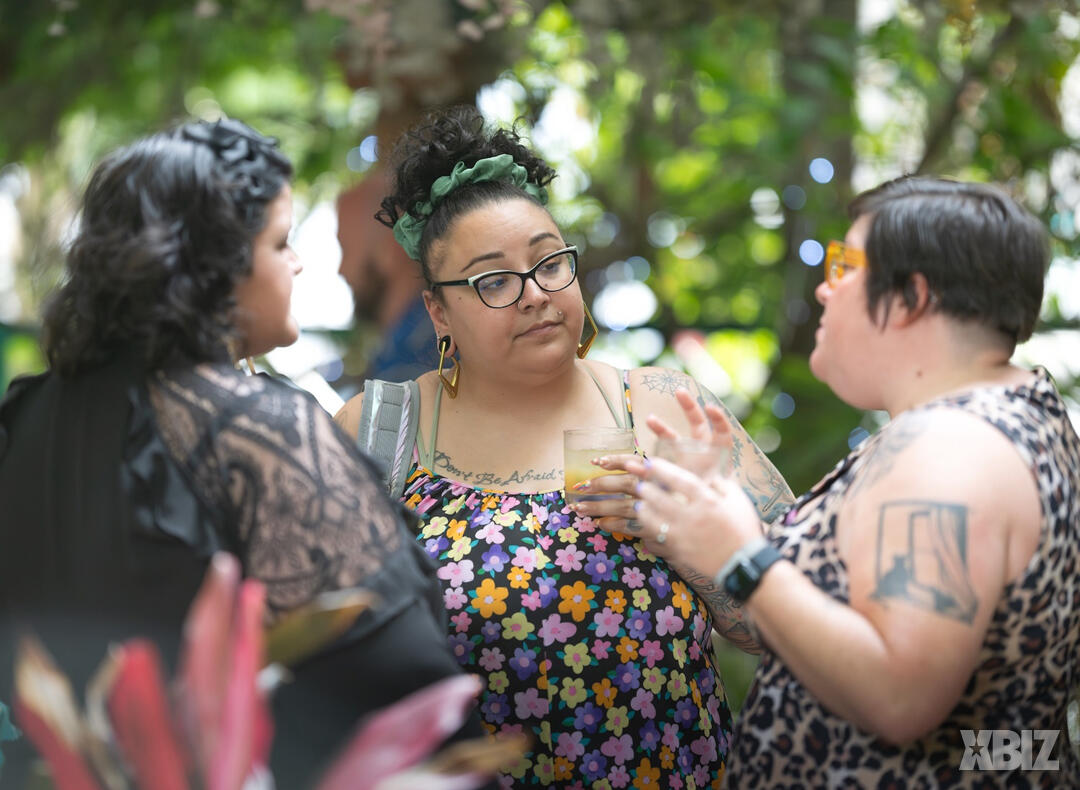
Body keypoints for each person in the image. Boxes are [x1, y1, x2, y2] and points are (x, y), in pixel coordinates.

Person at [0, 118, 486, 788]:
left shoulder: (23, 418)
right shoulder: (256, 431)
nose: (299, 262)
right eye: (280, 242)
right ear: (212, 265)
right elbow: (413, 691)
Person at [335, 105, 794, 787]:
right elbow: (325, 652)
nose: (534, 294)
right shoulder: (377, 430)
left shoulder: (662, 408)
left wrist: (682, 535)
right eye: (493, 280)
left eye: (549, 263)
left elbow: (792, 627)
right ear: (438, 311)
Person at [590, 177, 1080, 786]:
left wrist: (741, 555)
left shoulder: (946, 448)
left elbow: (900, 698)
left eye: (845, 266)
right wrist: (710, 520)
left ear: (910, 297)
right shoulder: (1019, 413)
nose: (825, 288)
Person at [336, 168, 439, 387]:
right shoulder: (432, 332)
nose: (341, 270)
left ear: (392, 244)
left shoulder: (413, 362)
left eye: (346, 249)